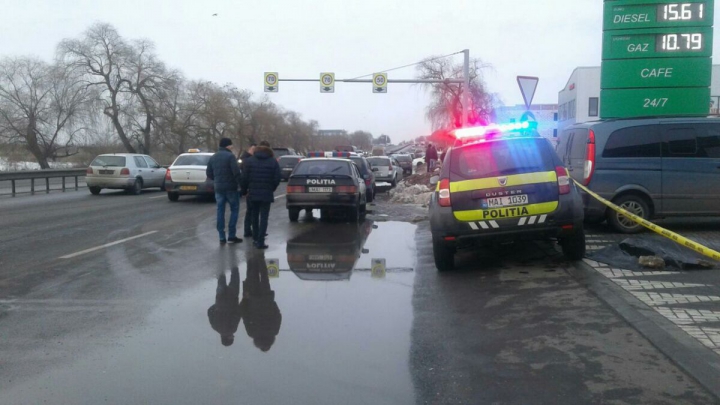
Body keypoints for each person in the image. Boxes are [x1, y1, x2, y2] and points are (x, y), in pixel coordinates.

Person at [241, 140, 281, 249]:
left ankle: (255, 238)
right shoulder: (273, 162)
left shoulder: (249, 161)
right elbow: (277, 178)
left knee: (254, 215)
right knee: (264, 217)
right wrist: (271, 188)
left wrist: (244, 191)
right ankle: (261, 241)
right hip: (266, 193)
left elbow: (244, 178)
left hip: (253, 193)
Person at [240, 250, 282, 352]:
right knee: (253, 277)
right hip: (253, 300)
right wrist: (245, 300)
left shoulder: (274, 331)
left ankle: (260, 257)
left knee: (264, 277)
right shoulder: (252, 333)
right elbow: (245, 316)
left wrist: (272, 303)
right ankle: (253, 259)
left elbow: (278, 316)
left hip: (267, 299)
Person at [207, 138, 243, 244]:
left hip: (218, 188)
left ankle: (221, 236)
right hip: (231, 188)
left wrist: (217, 179)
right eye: (231, 145)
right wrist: (241, 185)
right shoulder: (230, 156)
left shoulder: (213, 157)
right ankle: (231, 235)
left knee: (220, 211)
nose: (232, 147)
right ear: (228, 146)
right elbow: (236, 172)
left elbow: (208, 172)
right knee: (234, 210)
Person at [207, 266, 242, 346]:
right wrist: (217, 305)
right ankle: (220, 261)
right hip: (220, 298)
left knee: (235, 276)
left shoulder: (232, 329)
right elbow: (209, 311)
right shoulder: (215, 327)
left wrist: (239, 306)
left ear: (228, 338)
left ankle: (233, 259)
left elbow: (237, 315)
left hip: (232, 299)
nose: (233, 336)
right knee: (221, 277)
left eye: (232, 338)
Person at [240, 144, 256, 238]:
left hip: (249, 188)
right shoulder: (247, 160)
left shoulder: (245, 158)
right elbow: (244, 177)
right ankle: (249, 230)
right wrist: (244, 191)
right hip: (251, 188)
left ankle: (249, 230)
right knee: (251, 211)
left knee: (250, 210)